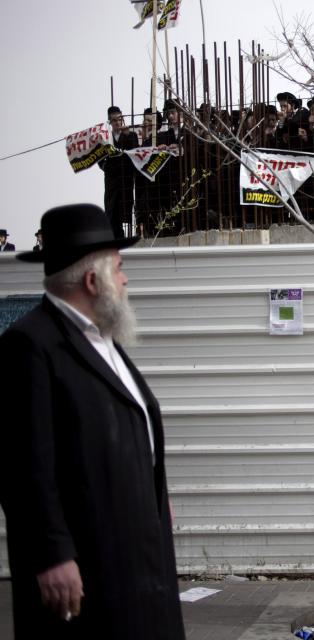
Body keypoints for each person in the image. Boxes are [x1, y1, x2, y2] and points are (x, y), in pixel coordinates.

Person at [0, 204, 185, 639]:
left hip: (137, 551)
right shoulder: (29, 346)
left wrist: (156, 492)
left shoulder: (104, 341)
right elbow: (20, 466)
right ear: (92, 280)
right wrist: (52, 555)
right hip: (88, 562)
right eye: (119, 269)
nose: (125, 280)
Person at [99, 106, 139, 239]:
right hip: (111, 179)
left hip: (125, 178)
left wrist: (127, 135)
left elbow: (136, 152)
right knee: (111, 209)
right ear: (110, 122)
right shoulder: (106, 138)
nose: (117, 122)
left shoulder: (130, 135)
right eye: (114, 120)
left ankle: (122, 236)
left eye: (119, 119)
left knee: (124, 209)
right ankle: (115, 236)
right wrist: (105, 166)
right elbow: (99, 157)